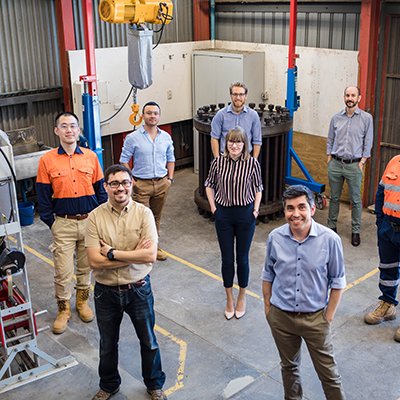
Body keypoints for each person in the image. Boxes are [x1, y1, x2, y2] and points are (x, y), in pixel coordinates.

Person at [86, 164, 167, 400]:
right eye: (114, 183)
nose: (120, 188)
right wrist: (131, 255)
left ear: (132, 185)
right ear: (106, 187)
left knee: (148, 341)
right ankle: (109, 385)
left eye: (125, 183)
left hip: (138, 289)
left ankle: (154, 384)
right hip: (106, 292)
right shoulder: (95, 217)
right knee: (108, 344)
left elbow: (150, 255)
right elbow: (93, 261)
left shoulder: (144, 214)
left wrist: (111, 253)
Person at [262, 185, 346, 400]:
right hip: (281, 317)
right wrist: (269, 309)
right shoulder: (275, 237)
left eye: (301, 207)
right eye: (290, 208)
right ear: (285, 211)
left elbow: (337, 282)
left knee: (329, 374)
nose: (295, 213)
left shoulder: (330, 240)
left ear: (312, 209)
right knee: (289, 368)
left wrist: (327, 317)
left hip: (315, 319)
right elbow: (268, 274)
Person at [36, 111, 107, 335]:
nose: (69, 130)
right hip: (63, 224)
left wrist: (99, 220)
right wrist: (52, 223)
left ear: (78, 131)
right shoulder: (46, 160)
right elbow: (43, 196)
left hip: (89, 223)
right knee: (63, 271)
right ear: (57, 131)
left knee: (86, 267)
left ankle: (82, 302)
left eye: (73, 126)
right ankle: (63, 309)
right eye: (64, 126)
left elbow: (101, 192)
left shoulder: (90, 157)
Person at [205, 127, 263, 320]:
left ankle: (242, 297)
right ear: (226, 143)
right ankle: (229, 298)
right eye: (231, 141)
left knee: (243, 259)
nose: (234, 145)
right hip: (224, 215)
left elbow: (258, 187)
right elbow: (209, 184)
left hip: (245, 215)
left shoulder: (252, 163)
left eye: (238, 142)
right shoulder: (218, 163)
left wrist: (255, 210)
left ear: (244, 144)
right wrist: (214, 209)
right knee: (227, 259)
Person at [120, 101, 175, 261]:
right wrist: (133, 182)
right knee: (143, 218)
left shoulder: (166, 137)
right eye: (149, 113)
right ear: (143, 116)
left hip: (162, 183)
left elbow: (171, 158)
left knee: (156, 217)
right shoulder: (133, 138)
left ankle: (154, 247)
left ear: (159, 116)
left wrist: (169, 179)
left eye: (155, 113)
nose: (152, 116)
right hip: (141, 184)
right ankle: (140, 248)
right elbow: (123, 160)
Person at [326, 85, 374, 247]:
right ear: (344, 97)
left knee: (355, 200)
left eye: (353, 95)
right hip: (336, 164)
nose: (350, 98)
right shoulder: (336, 118)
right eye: (347, 95)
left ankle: (355, 231)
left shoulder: (366, 119)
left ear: (359, 98)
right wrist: (329, 157)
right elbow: (330, 138)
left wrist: (362, 161)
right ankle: (331, 227)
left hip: (354, 165)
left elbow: (368, 141)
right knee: (333, 197)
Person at [364, 155, 400, 342]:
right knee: (387, 267)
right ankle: (387, 304)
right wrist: (380, 221)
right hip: (388, 228)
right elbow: (380, 192)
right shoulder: (394, 161)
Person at [211, 82, 262, 159]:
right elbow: (214, 138)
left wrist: (253, 162)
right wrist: (218, 160)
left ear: (246, 96)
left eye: (241, 94)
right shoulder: (220, 115)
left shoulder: (253, 115)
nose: (238, 97)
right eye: (235, 94)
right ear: (231, 96)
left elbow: (257, 141)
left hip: (246, 159)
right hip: (225, 158)